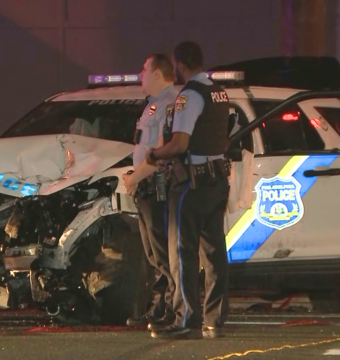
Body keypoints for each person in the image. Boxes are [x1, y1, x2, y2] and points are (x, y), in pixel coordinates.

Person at [146, 41, 230, 340]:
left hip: (192, 185)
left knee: (182, 254)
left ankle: (187, 321)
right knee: (214, 252)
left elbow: (180, 143)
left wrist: (155, 154)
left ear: (179, 64)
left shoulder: (190, 96)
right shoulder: (219, 92)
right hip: (217, 181)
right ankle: (215, 319)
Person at [123, 54, 178, 330]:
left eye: (144, 69)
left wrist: (136, 176)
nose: (140, 73)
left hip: (157, 186)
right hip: (145, 186)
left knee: (162, 251)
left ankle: (171, 310)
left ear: (157, 73)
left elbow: (161, 152)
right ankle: (160, 307)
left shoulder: (170, 104)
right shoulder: (153, 105)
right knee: (153, 254)